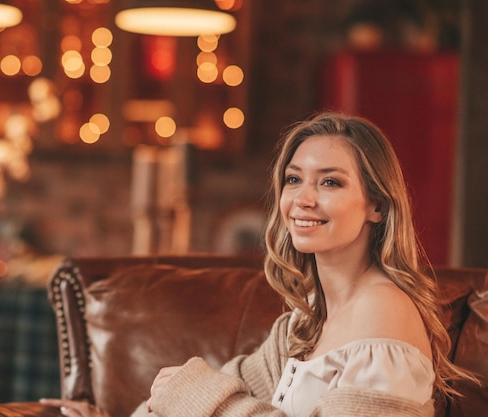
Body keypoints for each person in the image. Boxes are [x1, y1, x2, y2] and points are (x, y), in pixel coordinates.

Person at [40, 112, 477, 417]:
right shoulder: (307, 318)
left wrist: (204, 399)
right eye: (293, 179)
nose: (303, 199)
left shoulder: (382, 312)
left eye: (330, 182)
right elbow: (212, 389)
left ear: (377, 206)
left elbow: (206, 397)